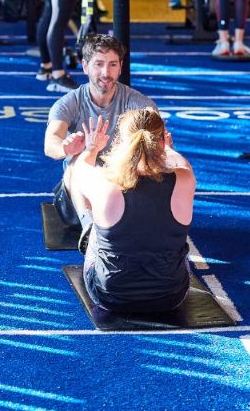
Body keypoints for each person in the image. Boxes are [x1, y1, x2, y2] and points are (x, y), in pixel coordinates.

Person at [70, 107, 195, 314]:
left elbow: (78, 169)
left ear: (121, 142)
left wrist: (92, 149)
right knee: (178, 239)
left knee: (96, 230)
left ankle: (88, 227)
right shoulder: (184, 178)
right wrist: (169, 150)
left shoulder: (104, 181)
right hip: (170, 297)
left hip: (109, 296)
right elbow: (183, 165)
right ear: (162, 141)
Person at [43, 33, 156, 227]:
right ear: (85, 66)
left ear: (120, 67)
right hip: (80, 193)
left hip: (121, 184)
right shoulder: (68, 103)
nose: (106, 72)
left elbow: (158, 138)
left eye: (113, 64)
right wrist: (66, 148)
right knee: (79, 159)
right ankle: (89, 227)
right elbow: (50, 142)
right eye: (99, 64)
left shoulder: (138, 102)